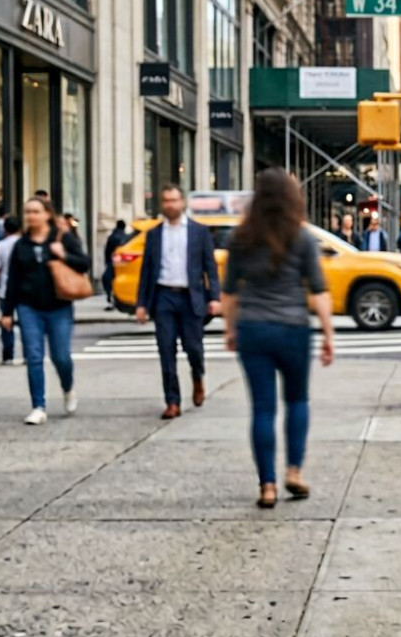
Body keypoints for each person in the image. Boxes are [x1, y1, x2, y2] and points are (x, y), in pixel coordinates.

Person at [222, 168, 334, 509]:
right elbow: (318, 289)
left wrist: (230, 329)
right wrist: (328, 333)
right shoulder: (300, 237)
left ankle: (267, 486)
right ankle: (294, 472)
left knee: (262, 408)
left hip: (253, 329)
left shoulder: (239, 238)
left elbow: (229, 294)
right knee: (297, 401)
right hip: (293, 329)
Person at [1, 196, 91, 425]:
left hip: (58, 306)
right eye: (28, 212)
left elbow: (84, 264)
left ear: (47, 215)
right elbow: (13, 279)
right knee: (33, 356)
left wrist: (63, 254)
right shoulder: (21, 244)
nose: (31, 216)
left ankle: (68, 386)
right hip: (28, 306)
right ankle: (38, 406)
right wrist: (7, 312)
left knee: (61, 356)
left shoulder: (62, 238)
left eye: (36, 211)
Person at [135, 185, 221, 419]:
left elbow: (210, 268)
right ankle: (172, 401)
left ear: (182, 202)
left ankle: (197, 376)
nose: (170, 205)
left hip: (190, 297)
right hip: (163, 297)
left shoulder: (199, 232)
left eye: (174, 200)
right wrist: (141, 304)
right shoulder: (154, 234)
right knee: (166, 349)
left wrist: (214, 297)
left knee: (194, 347)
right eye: (165, 201)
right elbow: (147, 271)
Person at [0, 215, 23, 365]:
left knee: (6, 322)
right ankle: (29, 354)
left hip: (5, 289)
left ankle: (8, 355)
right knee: (27, 323)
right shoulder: (24, 244)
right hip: (25, 290)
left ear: (5, 229)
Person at [102, 219, 129, 310]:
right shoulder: (125, 237)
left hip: (112, 262)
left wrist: (107, 261)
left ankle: (111, 296)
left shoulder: (112, 236)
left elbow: (107, 251)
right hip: (122, 263)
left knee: (109, 280)